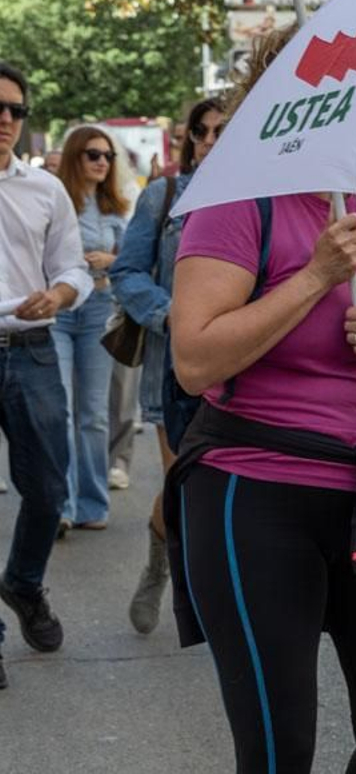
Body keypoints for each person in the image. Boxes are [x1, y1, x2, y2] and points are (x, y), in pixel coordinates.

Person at [165, 32, 356, 771]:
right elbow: (193, 358)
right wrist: (313, 277)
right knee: (277, 749)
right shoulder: (238, 205)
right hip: (256, 495)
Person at [111, 97, 225, 633]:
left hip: (243, 368)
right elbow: (128, 273)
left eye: (221, 130)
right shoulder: (164, 197)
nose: (209, 140)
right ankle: (161, 558)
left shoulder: (260, 200)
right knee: (185, 487)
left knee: (228, 491)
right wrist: (169, 315)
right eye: (200, 131)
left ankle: (217, 590)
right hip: (175, 370)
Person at [0, 62, 92, 690]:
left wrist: (58, 295)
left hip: (31, 349)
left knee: (49, 488)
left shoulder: (43, 189)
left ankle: (24, 584)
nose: (5, 119)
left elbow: (76, 267)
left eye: (15, 109)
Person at [49, 126, 131, 532]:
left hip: (99, 308)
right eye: (93, 154)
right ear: (75, 156)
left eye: (108, 156)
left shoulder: (115, 207)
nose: (102, 162)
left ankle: (92, 504)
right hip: (60, 309)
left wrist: (110, 261)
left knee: (94, 414)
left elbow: (132, 260)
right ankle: (62, 506)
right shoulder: (55, 200)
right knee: (62, 410)